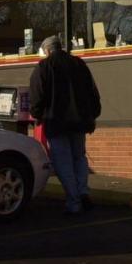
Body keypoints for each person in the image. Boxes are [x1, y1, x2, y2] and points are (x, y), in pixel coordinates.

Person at [29, 35, 101, 215]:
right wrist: (92, 114)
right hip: (79, 121)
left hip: (56, 122)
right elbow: (92, 92)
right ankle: (83, 191)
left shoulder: (44, 67)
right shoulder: (79, 64)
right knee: (79, 158)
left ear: (47, 50)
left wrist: (37, 114)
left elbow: (37, 96)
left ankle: (74, 200)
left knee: (63, 162)